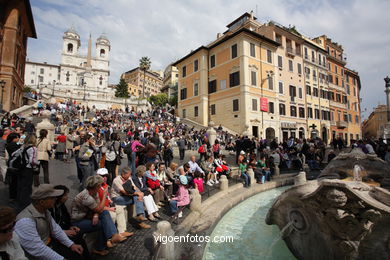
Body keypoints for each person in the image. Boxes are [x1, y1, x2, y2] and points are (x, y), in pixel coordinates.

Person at [15, 184, 84, 260]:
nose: (55, 199)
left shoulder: (44, 211)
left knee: (78, 248)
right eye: (52, 197)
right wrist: (60, 259)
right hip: (39, 254)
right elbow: (38, 249)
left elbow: (56, 229)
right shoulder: (25, 221)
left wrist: (71, 245)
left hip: (50, 243)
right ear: (42, 202)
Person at [71, 175, 126, 256]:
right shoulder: (87, 197)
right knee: (101, 224)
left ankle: (113, 235)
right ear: (96, 186)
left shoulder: (93, 192)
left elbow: (99, 207)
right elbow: (100, 208)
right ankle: (99, 247)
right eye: (100, 185)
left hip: (88, 215)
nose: (101, 187)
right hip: (78, 221)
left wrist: (96, 215)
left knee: (105, 214)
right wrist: (104, 195)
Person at [49, 185, 91, 260]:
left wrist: (70, 227)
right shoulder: (50, 209)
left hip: (61, 231)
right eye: (65, 195)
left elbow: (66, 218)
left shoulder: (61, 205)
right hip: (55, 238)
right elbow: (52, 229)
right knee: (76, 240)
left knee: (79, 235)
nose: (67, 197)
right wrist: (64, 231)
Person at [96, 168, 133, 238]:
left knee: (120, 208)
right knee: (112, 215)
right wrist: (109, 209)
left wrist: (111, 203)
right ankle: (110, 237)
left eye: (106, 176)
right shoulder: (96, 188)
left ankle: (122, 232)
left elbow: (108, 198)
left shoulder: (105, 185)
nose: (104, 178)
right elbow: (96, 205)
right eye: (102, 176)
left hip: (108, 206)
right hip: (102, 210)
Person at [17, 134, 39, 211]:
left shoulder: (23, 147)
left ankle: (20, 200)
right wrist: (36, 167)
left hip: (22, 168)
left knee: (22, 185)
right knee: (27, 186)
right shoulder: (33, 148)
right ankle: (25, 203)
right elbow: (32, 161)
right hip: (28, 169)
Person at [5, 133, 20, 201]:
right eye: (17, 137)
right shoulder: (13, 145)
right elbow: (18, 153)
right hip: (14, 163)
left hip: (11, 162)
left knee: (13, 181)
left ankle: (13, 196)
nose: (18, 139)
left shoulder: (9, 144)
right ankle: (13, 196)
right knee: (14, 181)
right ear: (14, 138)